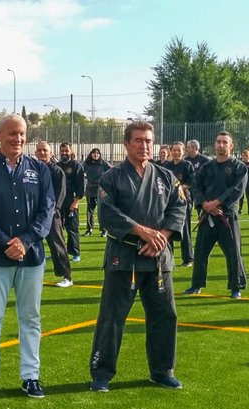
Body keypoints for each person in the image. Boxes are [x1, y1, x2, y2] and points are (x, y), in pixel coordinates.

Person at [89, 121, 187, 393]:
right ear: (126, 144)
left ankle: (162, 371)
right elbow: (107, 215)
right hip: (124, 259)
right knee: (112, 317)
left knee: (165, 315)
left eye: (148, 141)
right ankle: (101, 374)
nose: (144, 146)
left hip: (158, 259)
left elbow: (179, 208)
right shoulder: (112, 177)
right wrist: (143, 233)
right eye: (138, 141)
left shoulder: (166, 177)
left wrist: (161, 238)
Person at [0, 114, 55, 400]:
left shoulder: (39, 170)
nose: (17, 139)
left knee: (30, 318)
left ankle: (31, 376)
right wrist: (6, 242)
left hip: (31, 258)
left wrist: (26, 241)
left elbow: (47, 211)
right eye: (11, 134)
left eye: (21, 134)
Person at [184, 131, 247, 299]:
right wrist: (205, 204)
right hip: (208, 216)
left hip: (226, 216)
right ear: (215, 144)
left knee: (233, 253)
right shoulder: (207, 167)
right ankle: (196, 285)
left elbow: (236, 190)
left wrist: (217, 203)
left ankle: (236, 287)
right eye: (218, 142)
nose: (221, 145)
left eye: (225, 142)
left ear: (231, 146)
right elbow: (196, 187)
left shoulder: (238, 167)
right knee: (200, 252)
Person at [36, 141, 72, 287]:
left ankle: (67, 277)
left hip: (50, 214)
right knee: (31, 245)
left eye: (45, 150)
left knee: (57, 245)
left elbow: (61, 193)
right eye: (39, 150)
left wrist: (52, 210)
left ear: (51, 153)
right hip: (33, 213)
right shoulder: (31, 170)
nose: (42, 153)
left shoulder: (57, 172)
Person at [163, 142, 195, 267]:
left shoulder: (187, 165)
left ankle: (188, 258)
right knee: (168, 228)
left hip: (183, 201)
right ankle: (169, 257)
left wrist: (179, 189)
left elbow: (191, 181)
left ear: (183, 152)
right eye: (174, 150)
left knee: (184, 230)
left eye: (179, 150)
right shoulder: (167, 165)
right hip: (168, 202)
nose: (176, 152)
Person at [58, 142, 85, 261]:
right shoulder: (57, 165)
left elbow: (81, 185)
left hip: (71, 202)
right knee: (58, 229)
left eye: (66, 151)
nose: (64, 153)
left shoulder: (76, 165)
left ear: (71, 151)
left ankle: (76, 253)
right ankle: (60, 252)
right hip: (59, 203)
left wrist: (76, 201)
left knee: (72, 228)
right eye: (62, 151)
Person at [82, 148, 111, 237]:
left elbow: (113, 170)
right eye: (94, 153)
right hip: (90, 189)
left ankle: (104, 230)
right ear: (91, 154)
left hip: (101, 190)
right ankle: (89, 229)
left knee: (101, 210)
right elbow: (80, 171)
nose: (96, 155)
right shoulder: (87, 164)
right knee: (90, 210)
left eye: (97, 153)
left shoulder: (103, 163)